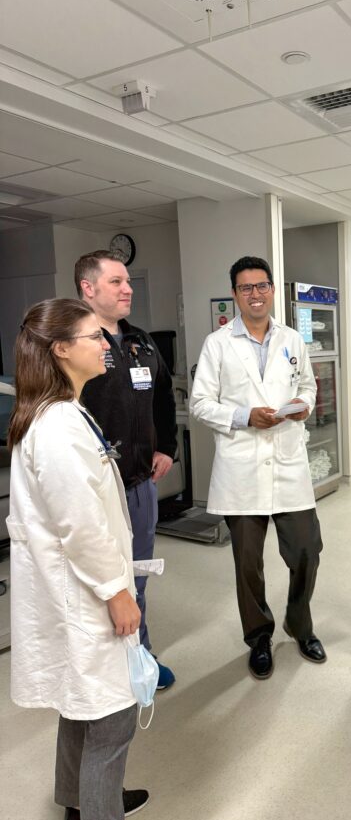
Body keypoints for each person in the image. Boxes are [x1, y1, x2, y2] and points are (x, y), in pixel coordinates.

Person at [7, 299, 149, 820]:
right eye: (94, 337)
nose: (105, 345)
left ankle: (77, 802)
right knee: (112, 720)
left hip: (73, 587)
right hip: (86, 591)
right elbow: (80, 526)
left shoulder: (59, 411)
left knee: (79, 698)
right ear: (62, 349)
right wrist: (117, 591)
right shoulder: (58, 427)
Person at [190, 255, 325, 679]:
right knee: (248, 564)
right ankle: (259, 636)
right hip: (242, 467)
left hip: (288, 461)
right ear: (235, 294)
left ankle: (299, 624)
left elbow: (308, 385)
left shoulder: (291, 339)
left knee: (306, 551)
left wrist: (303, 405)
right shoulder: (217, 343)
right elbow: (200, 403)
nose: (255, 294)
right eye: (246, 287)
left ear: (272, 289)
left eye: (262, 285)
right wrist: (244, 416)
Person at [75, 251, 177, 690]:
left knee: (136, 578)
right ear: (88, 288)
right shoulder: (74, 344)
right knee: (101, 582)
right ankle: (108, 667)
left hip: (139, 484)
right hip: (96, 489)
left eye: (128, 281)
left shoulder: (141, 342)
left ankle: (139, 656)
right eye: (116, 281)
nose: (127, 288)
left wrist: (166, 447)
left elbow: (163, 397)